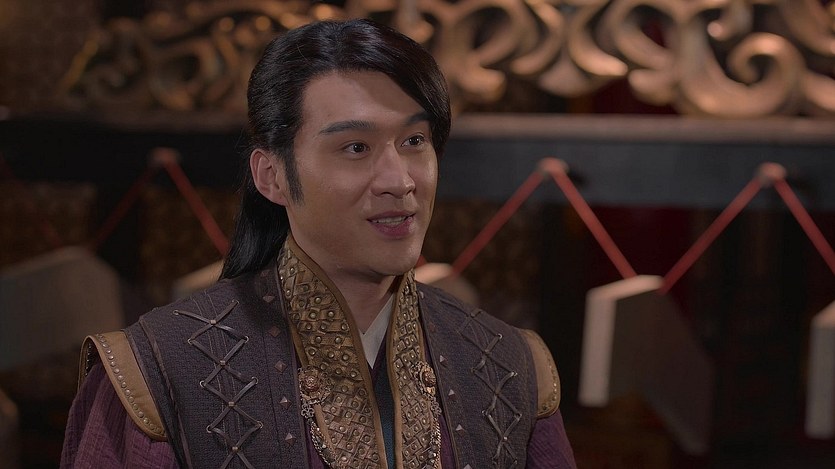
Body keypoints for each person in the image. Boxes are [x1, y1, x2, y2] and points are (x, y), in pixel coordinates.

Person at [61, 18, 577, 468]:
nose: (399, 181)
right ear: (272, 176)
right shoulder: (155, 373)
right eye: (355, 147)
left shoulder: (511, 366)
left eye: (414, 141)